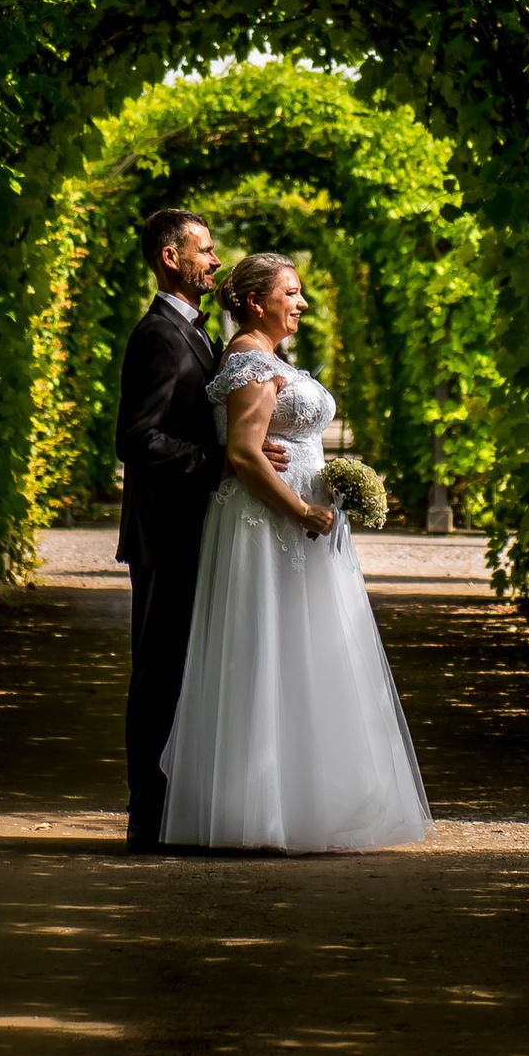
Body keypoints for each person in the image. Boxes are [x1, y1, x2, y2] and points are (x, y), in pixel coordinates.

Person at [156, 250, 432, 852]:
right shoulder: (250, 361)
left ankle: (305, 799)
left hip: (294, 524)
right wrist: (302, 510)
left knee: (303, 650)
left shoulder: (268, 358)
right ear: (257, 302)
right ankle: (259, 811)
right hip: (267, 525)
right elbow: (243, 454)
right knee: (267, 648)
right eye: (292, 292)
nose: (302, 302)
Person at [113, 208, 287, 850]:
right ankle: (146, 817)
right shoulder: (158, 335)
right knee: (159, 673)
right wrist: (221, 462)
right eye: (205, 250)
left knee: (191, 668)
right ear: (171, 257)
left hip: (198, 527)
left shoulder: (199, 332)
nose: (215, 260)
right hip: (165, 532)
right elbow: (137, 439)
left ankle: (180, 808)